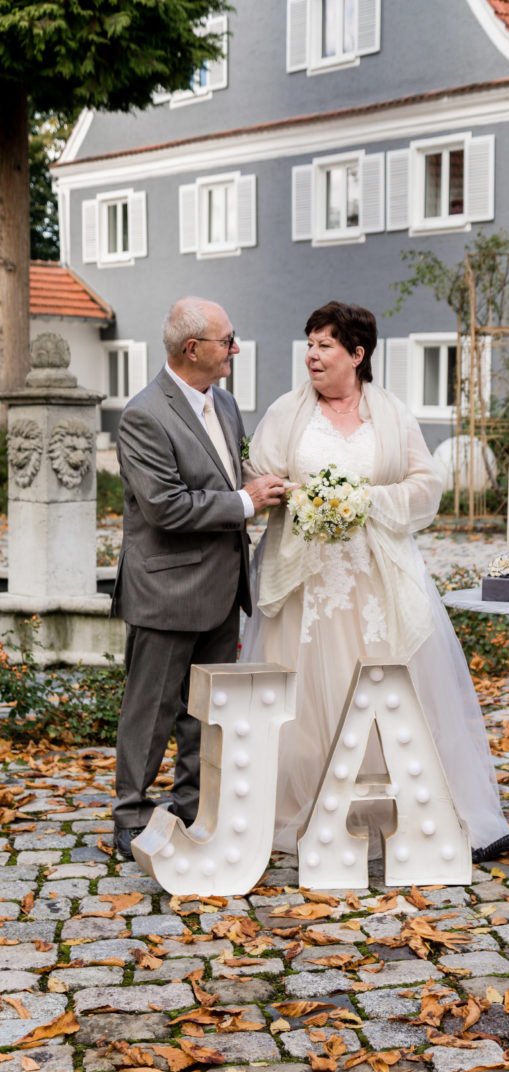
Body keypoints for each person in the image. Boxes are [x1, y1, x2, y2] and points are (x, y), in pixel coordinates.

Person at [241, 300, 509, 855]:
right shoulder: (287, 413)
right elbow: (259, 475)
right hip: (306, 587)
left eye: (325, 346)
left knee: (387, 690)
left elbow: (425, 484)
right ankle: (306, 807)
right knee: (306, 703)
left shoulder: (390, 413)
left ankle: (391, 808)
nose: (312, 356)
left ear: (357, 355)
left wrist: (363, 500)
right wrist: (298, 497)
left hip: (376, 581)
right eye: (309, 344)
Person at [110, 297, 287, 859]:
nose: (235, 349)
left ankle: (192, 809)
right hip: (165, 590)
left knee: (206, 712)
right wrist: (244, 501)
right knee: (151, 712)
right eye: (227, 340)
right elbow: (165, 506)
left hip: (221, 589)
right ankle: (130, 819)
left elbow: (234, 473)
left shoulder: (226, 403)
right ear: (193, 349)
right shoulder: (144, 415)